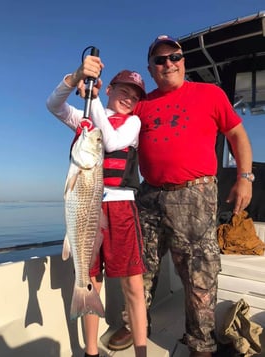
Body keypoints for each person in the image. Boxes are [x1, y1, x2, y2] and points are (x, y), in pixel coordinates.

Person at [108, 35, 253, 357]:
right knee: (139, 266)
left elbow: (237, 134)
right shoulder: (142, 105)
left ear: (183, 61)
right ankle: (134, 323)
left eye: (174, 57)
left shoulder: (210, 94)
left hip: (195, 194)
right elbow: (109, 124)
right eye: (160, 60)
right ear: (151, 68)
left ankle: (201, 341)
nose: (168, 63)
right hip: (148, 195)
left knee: (199, 272)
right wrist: (84, 90)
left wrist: (244, 177)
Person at [46, 64, 148, 357]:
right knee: (91, 281)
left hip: (121, 209)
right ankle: (91, 351)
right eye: (123, 91)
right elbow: (54, 105)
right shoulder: (85, 119)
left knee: (133, 284)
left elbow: (112, 140)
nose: (129, 98)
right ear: (110, 89)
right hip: (87, 207)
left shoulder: (133, 124)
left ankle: (141, 353)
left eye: (135, 96)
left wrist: (93, 100)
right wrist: (77, 79)